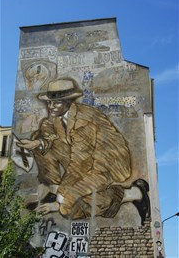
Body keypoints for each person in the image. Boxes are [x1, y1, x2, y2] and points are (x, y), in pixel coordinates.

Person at [17, 77, 150, 224]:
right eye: (49, 102)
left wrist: (61, 201)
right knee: (39, 139)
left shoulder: (84, 121)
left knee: (69, 208)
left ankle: (133, 193)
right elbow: (48, 128)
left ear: (68, 102)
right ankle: (55, 192)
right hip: (85, 157)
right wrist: (38, 142)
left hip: (106, 164)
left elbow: (79, 165)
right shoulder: (58, 116)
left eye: (56, 102)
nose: (51, 106)